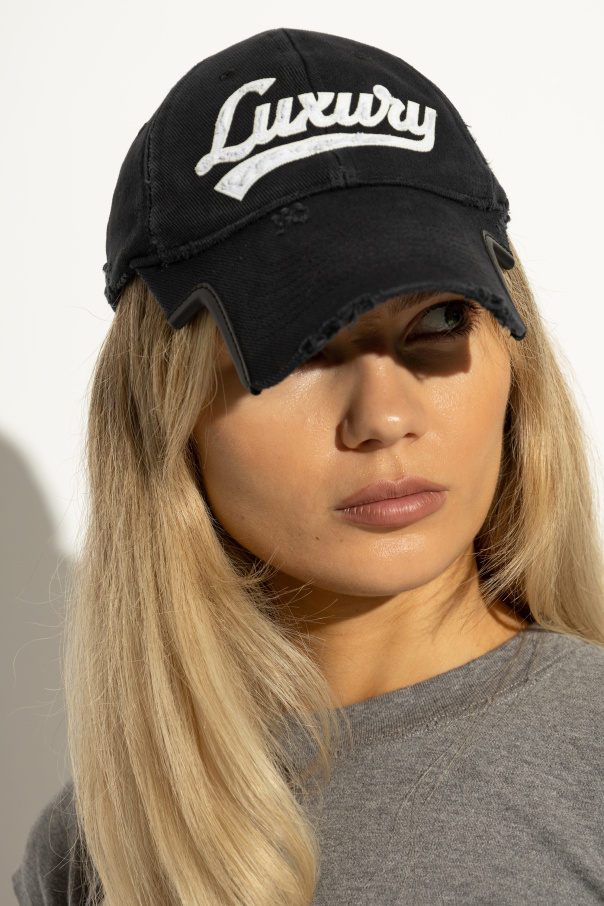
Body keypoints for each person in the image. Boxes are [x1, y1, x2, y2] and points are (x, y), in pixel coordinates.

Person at [12, 27, 604, 906]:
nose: (385, 418)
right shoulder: (96, 844)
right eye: (298, 349)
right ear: (168, 411)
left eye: (441, 322)